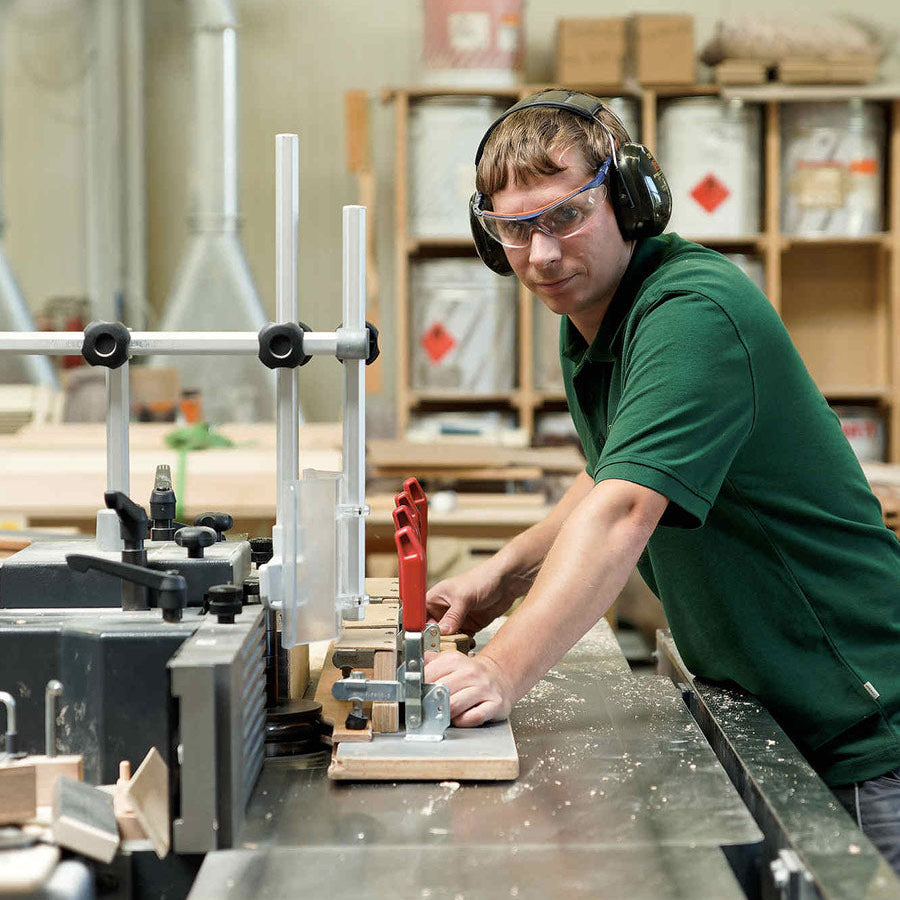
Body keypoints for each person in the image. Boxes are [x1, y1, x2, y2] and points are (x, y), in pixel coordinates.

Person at [422, 89, 900, 873]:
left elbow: (622, 511)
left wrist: (501, 669)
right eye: (513, 229)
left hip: (860, 729)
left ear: (631, 201)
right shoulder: (600, 320)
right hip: (774, 712)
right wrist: (503, 576)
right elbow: (614, 467)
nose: (539, 255)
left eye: (563, 217)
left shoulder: (691, 312)